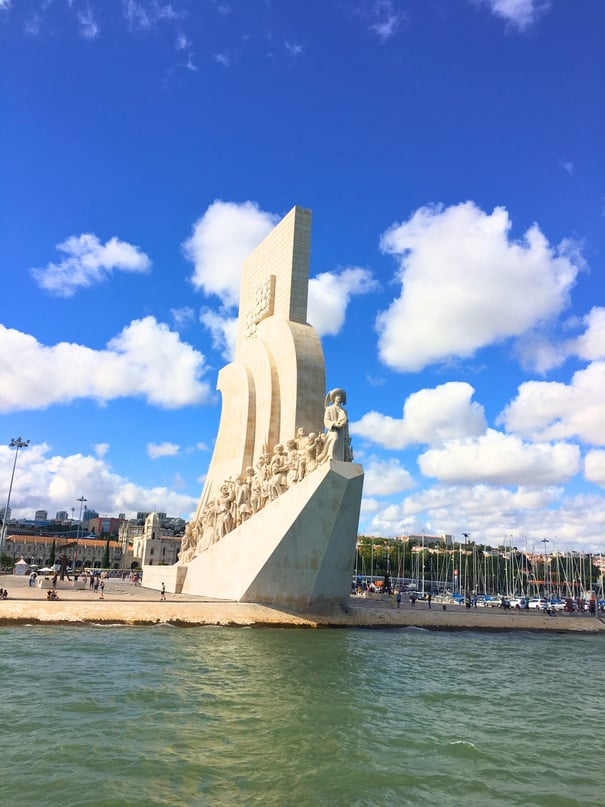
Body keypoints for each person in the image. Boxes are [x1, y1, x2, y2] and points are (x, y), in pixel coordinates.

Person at [318, 388, 353, 463]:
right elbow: (326, 420)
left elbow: (346, 424)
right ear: (334, 398)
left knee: (342, 446)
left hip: (342, 431)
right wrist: (334, 424)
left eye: (340, 396)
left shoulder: (344, 410)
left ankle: (340, 460)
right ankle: (330, 455)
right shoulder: (329, 409)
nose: (339, 397)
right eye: (337, 396)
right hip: (333, 429)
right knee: (335, 438)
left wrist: (347, 435)